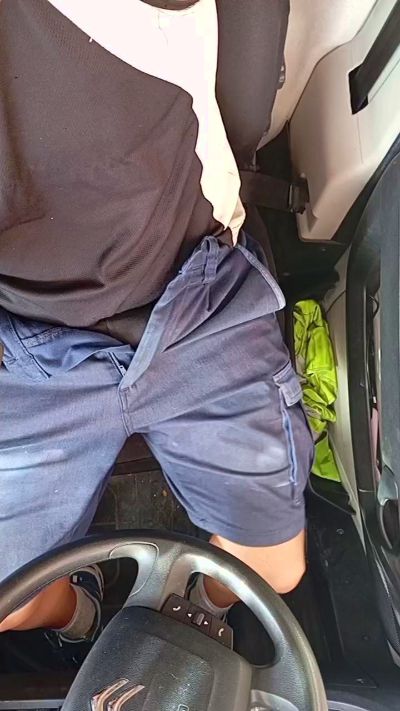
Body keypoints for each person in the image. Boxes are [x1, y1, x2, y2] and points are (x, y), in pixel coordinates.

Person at [0, 0, 313, 647]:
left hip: (193, 299)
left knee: (275, 569)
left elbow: (241, 104)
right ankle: (82, 617)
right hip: (26, 347)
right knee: (9, 604)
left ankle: (196, 606)